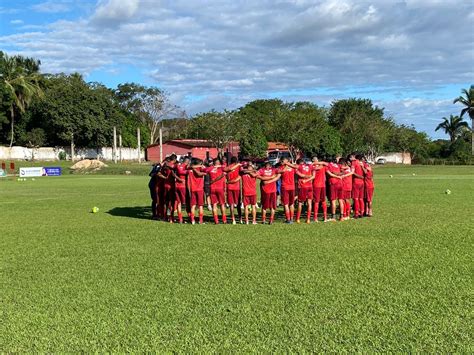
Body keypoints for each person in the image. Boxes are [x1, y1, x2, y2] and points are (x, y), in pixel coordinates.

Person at [205, 158, 227, 224]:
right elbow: (227, 167)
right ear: (219, 163)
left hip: (212, 188)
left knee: (214, 205)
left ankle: (216, 220)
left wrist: (213, 167)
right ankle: (224, 220)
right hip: (220, 188)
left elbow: (205, 169)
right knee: (222, 204)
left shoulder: (210, 168)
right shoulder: (222, 168)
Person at [278, 157, 297, 223]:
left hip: (285, 187)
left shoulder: (282, 167)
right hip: (292, 187)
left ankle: (288, 219)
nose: (282, 162)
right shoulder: (292, 168)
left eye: (282, 161)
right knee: (291, 204)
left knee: (286, 204)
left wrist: (285, 165)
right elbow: (296, 168)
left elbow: (279, 172)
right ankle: (291, 218)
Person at [188, 158, 207, 224]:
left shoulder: (190, 169)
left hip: (192, 189)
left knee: (193, 205)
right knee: (200, 205)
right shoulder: (200, 168)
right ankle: (200, 220)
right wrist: (204, 173)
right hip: (199, 189)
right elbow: (200, 173)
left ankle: (192, 220)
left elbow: (190, 167)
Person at [224, 156, 242, 224]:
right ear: (236, 161)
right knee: (238, 204)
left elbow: (225, 176)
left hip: (229, 187)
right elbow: (241, 174)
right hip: (236, 187)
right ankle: (240, 219)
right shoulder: (238, 166)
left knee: (231, 204)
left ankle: (233, 219)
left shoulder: (228, 167)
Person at [295, 159, 314, 224]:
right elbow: (313, 176)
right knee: (309, 203)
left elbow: (301, 175)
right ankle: (308, 219)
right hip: (310, 186)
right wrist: (309, 177)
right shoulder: (310, 166)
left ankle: (297, 219)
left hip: (302, 186)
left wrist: (305, 179)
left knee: (300, 203)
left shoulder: (298, 167)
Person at [311, 157, 328, 222]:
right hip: (323, 185)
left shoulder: (312, 167)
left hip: (316, 185)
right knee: (323, 201)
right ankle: (325, 217)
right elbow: (326, 164)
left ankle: (315, 218)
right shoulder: (322, 166)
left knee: (316, 202)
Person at [174, 156, 190, 224]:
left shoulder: (177, 166)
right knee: (187, 202)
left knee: (179, 202)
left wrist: (178, 178)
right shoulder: (187, 168)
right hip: (183, 186)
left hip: (176, 186)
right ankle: (190, 217)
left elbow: (173, 173)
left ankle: (180, 218)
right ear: (187, 162)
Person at [349, 153, 365, 218]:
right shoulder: (362, 163)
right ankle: (362, 212)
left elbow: (352, 172)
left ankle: (356, 213)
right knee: (361, 198)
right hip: (362, 182)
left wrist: (359, 176)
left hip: (356, 181)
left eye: (351, 157)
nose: (350, 158)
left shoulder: (354, 162)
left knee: (356, 198)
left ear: (354, 157)